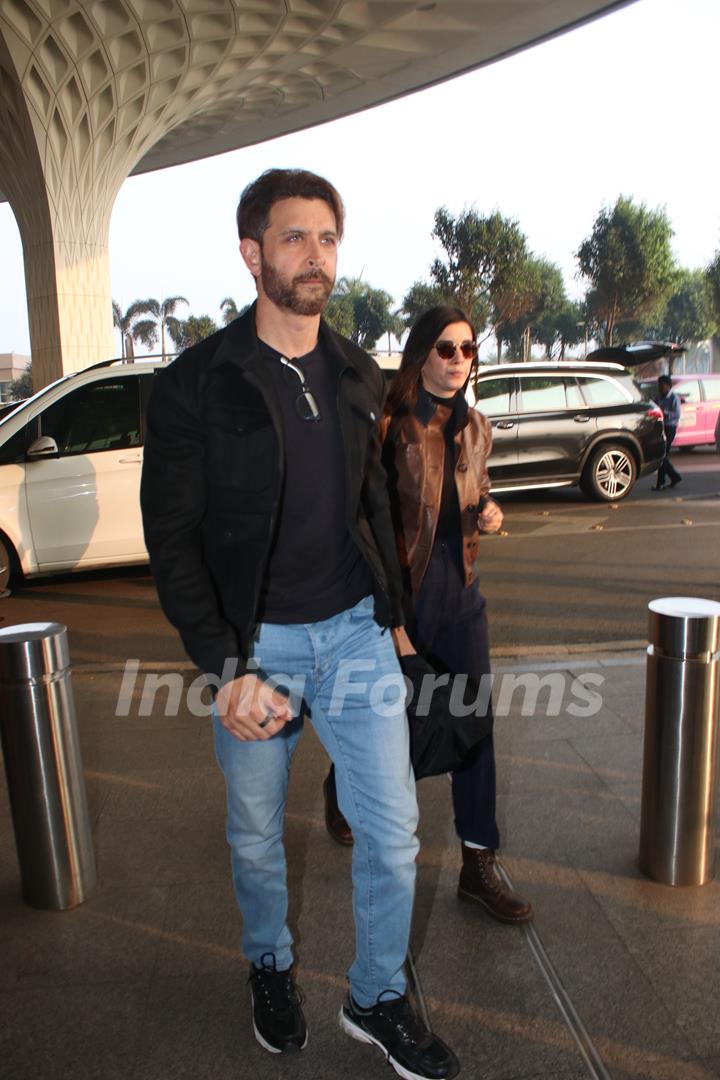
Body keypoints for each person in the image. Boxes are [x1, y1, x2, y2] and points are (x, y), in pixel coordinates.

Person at [140, 169, 459, 1080]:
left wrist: (393, 624)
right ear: (252, 253)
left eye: (327, 238)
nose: (314, 256)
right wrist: (224, 663)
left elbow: (369, 511)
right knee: (254, 832)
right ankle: (270, 966)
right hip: (259, 647)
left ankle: (377, 996)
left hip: (354, 632)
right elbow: (173, 542)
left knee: (393, 828)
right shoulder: (197, 385)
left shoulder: (359, 372)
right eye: (293, 238)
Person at [324, 305, 533, 925]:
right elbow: (364, 521)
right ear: (421, 354)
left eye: (468, 350)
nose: (459, 362)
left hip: (462, 592)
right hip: (403, 595)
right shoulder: (386, 424)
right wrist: (390, 620)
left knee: (472, 726)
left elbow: (477, 487)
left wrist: (489, 511)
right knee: (394, 723)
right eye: (446, 349)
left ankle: (477, 862)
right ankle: (341, 784)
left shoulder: (476, 427)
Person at [653, 373, 682, 490]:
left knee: (662, 454)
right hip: (660, 427)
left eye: (662, 386)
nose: (660, 388)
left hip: (670, 428)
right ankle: (674, 476)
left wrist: (664, 412)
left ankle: (661, 482)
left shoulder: (674, 398)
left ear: (668, 386)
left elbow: (677, 414)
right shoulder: (658, 397)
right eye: (659, 386)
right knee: (661, 455)